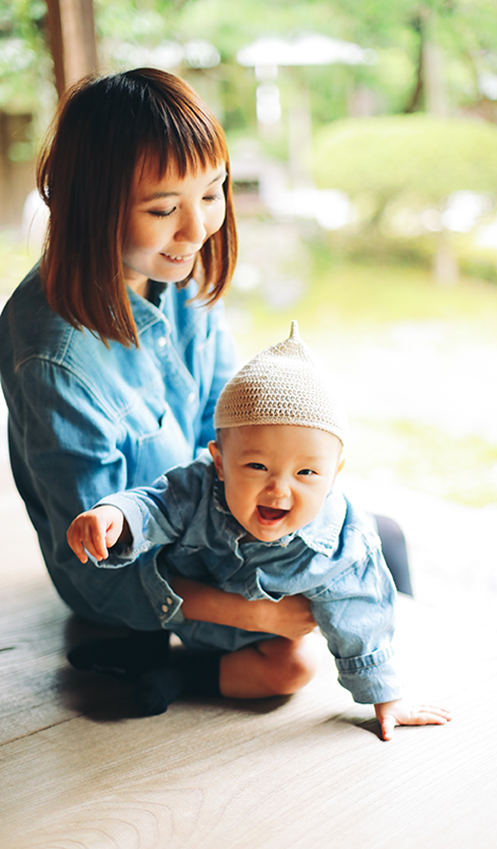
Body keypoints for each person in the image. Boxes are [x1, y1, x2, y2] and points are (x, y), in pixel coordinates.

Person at [0, 68, 410, 685]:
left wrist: (278, 497)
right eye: (164, 208)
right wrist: (254, 610)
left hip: (215, 520)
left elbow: (222, 431)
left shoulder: (178, 271)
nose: (196, 230)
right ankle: (154, 672)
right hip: (143, 569)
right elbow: (94, 564)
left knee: (379, 541)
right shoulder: (55, 360)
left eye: (213, 193)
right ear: (90, 205)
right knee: (288, 665)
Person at [67, 323, 450, 740]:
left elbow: (363, 616)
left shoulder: (340, 543)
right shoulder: (197, 487)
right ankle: (139, 652)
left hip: (254, 644)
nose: (279, 489)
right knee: (144, 586)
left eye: (306, 472)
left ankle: (179, 674)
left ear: (334, 474)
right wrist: (116, 517)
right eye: (256, 467)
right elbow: (154, 505)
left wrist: (385, 698)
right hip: (174, 612)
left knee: (295, 668)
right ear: (219, 461)